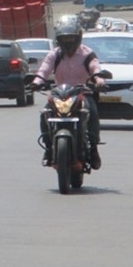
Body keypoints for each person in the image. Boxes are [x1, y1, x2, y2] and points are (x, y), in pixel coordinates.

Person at [29, 23, 106, 170]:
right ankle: (48, 148)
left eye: (71, 38)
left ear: (78, 38)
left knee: (92, 113)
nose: (68, 42)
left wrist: (99, 80)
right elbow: (44, 69)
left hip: (83, 93)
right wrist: (36, 82)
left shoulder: (87, 53)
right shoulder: (54, 54)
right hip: (60, 94)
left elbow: (95, 67)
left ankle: (94, 149)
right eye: (65, 39)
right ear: (59, 40)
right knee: (45, 114)